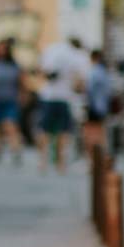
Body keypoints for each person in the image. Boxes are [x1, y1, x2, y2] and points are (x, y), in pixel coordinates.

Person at [36, 34, 89, 171]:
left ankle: (42, 162)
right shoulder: (74, 56)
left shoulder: (52, 50)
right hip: (65, 98)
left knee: (44, 130)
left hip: (48, 96)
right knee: (64, 131)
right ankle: (61, 163)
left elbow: (43, 71)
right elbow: (79, 82)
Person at [83, 48, 113, 155]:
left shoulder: (94, 72)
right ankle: (102, 155)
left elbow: (88, 90)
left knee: (90, 133)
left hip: (94, 106)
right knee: (101, 132)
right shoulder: (105, 72)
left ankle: (93, 157)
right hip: (103, 106)